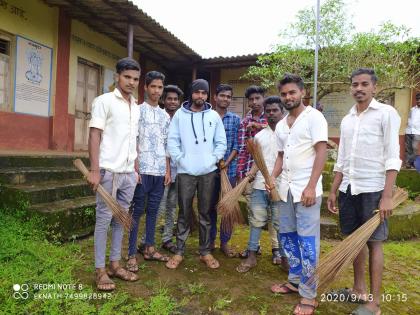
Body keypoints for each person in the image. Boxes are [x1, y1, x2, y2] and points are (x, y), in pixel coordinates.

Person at [327, 68, 401, 315]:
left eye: (364, 84)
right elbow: (342, 158)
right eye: (354, 84)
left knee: (374, 244)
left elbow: (393, 156)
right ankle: (359, 290)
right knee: (354, 241)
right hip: (349, 187)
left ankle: (375, 303)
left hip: (373, 189)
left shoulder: (386, 114)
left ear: (374, 88)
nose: (358, 88)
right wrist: (334, 189)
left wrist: (387, 195)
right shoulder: (348, 119)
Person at [269, 73, 328, 315]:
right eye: (284, 94)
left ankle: (309, 294)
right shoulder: (282, 124)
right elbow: (281, 156)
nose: (288, 97)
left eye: (292, 92)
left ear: (302, 92)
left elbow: (321, 152)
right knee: (288, 237)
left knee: (307, 241)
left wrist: (312, 186)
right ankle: (294, 281)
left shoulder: (314, 118)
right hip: (286, 190)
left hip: (307, 190)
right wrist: (272, 177)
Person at [87, 57, 141, 291]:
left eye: (135, 79)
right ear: (117, 77)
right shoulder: (104, 101)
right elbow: (94, 135)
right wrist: (95, 170)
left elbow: (133, 141)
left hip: (128, 173)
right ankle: (100, 270)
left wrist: (136, 169)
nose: (131, 82)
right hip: (108, 172)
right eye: (127, 77)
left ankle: (115, 264)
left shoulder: (136, 107)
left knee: (121, 219)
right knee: (103, 220)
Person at [166, 79, 227, 269]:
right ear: (191, 94)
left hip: (208, 172)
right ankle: (179, 251)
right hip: (185, 172)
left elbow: (221, 142)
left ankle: (205, 251)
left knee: (206, 213)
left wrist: (213, 159)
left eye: (204, 93)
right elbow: (172, 141)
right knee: (184, 212)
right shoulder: (179, 116)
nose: (200, 96)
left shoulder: (214, 116)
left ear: (208, 95)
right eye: (197, 92)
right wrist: (181, 160)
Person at [236, 96, 288, 273]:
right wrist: (250, 174)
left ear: (283, 111)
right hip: (260, 185)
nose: (272, 114)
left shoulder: (289, 133)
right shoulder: (259, 136)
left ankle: (283, 256)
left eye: (275, 110)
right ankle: (251, 255)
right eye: (269, 111)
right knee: (256, 220)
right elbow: (258, 161)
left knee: (280, 222)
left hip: (282, 187)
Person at [127, 71, 171, 273]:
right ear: (145, 88)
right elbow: (133, 139)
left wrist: (168, 170)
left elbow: (166, 145)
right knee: (137, 211)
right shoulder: (137, 111)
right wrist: (135, 166)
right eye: (153, 86)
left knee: (153, 211)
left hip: (159, 170)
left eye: (160, 87)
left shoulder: (165, 115)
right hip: (142, 169)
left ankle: (149, 248)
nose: (156, 91)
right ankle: (130, 254)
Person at [208, 83, 241, 257]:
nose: (225, 99)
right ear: (215, 97)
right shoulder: (207, 117)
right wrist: (215, 161)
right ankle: (211, 240)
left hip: (230, 169)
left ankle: (225, 242)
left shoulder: (235, 120)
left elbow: (237, 144)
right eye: (222, 95)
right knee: (211, 206)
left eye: (229, 96)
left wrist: (226, 162)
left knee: (228, 208)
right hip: (209, 170)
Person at [159, 85, 184, 253]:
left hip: (179, 169)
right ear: (164, 100)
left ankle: (167, 238)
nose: (173, 102)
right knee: (158, 206)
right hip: (161, 169)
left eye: (175, 99)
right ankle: (145, 241)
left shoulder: (182, 118)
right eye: (169, 99)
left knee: (172, 207)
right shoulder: (160, 117)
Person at [404, 93, 420, 168]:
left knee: (414, 148)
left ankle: (410, 163)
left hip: (418, 132)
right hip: (409, 131)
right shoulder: (412, 109)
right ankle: (408, 164)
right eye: (417, 99)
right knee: (408, 149)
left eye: (419, 99)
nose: (418, 101)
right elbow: (409, 119)